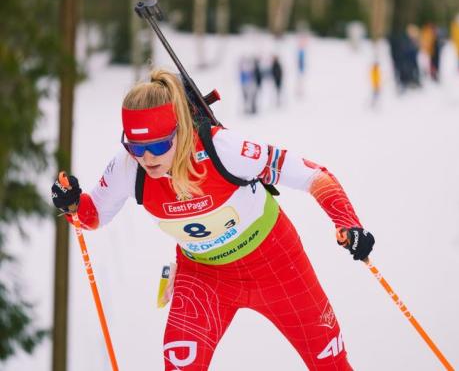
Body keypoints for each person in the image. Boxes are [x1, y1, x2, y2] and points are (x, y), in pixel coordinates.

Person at [50, 69, 375, 370]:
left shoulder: (223, 147)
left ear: (180, 129)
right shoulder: (128, 167)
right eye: (135, 146)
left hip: (276, 265)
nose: (147, 158)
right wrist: (72, 202)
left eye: (160, 144)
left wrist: (347, 222)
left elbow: (311, 175)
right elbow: (91, 216)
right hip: (203, 275)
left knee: (331, 364)